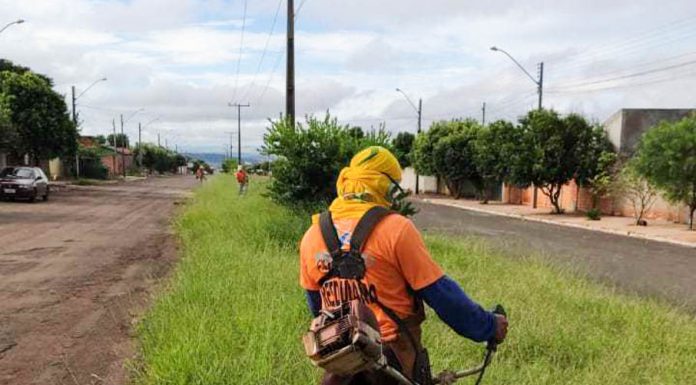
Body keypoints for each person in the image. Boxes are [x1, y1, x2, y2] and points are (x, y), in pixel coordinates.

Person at [299, 146, 508, 385]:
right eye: (394, 187)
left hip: (340, 364)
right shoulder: (395, 229)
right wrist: (489, 325)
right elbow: (442, 296)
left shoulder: (312, 235)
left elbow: (318, 310)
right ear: (383, 185)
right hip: (392, 365)